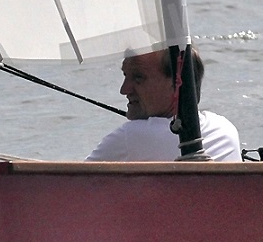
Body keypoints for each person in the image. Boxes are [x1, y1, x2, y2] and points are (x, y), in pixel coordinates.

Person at [87, 47, 242, 161]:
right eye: (125, 75)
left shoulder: (132, 136)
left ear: (177, 83)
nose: (124, 89)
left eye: (138, 77)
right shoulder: (225, 130)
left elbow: (72, 187)